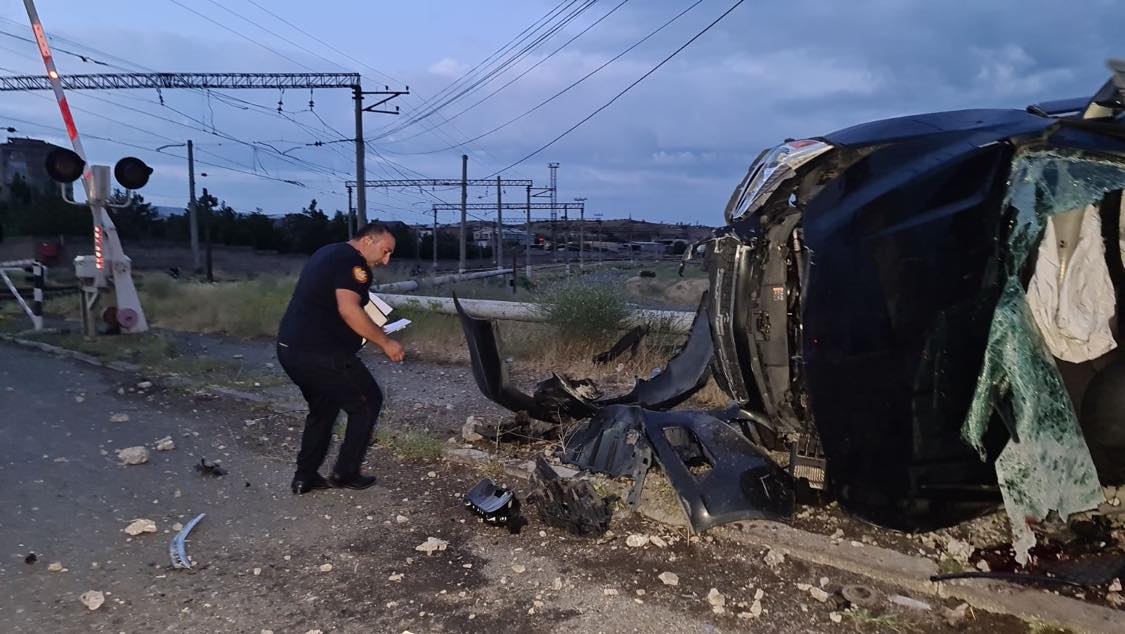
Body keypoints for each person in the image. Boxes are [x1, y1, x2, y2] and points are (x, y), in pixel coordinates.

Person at [276, 221, 406, 495]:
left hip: (290, 349)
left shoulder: (327, 252)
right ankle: (345, 473)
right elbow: (349, 309)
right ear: (368, 240)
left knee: (323, 408)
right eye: (385, 251)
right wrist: (385, 342)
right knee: (368, 402)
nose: (386, 260)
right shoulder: (353, 263)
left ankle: (304, 477)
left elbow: (329, 305)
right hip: (323, 353)